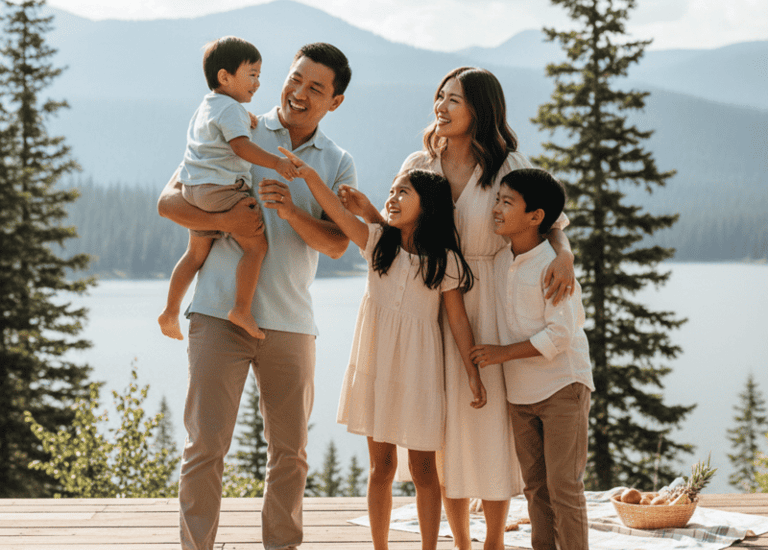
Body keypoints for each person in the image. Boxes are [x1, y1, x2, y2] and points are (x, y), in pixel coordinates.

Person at [345, 66, 576, 550]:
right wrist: (363, 213)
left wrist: (566, 255)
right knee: (441, 424)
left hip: (489, 298)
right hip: (429, 305)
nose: (441, 107)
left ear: (480, 110)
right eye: (440, 97)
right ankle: (460, 542)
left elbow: (551, 217)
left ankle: (492, 539)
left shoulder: (507, 164)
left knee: (486, 422)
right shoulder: (420, 162)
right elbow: (395, 223)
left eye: (454, 100)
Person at [157, 43, 354, 550]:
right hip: (217, 315)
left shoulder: (337, 162)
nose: (298, 92)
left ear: (335, 101)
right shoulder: (235, 122)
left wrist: (291, 212)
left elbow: (337, 244)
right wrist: (223, 220)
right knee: (205, 447)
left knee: (290, 454)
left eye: (316, 87)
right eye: (295, 78)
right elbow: (168, 203)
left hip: (290, 322)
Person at [282, 143, 486, 550]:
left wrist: (473, 372)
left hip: (420, 374)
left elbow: (459, 321)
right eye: (390, 192)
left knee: (425, 469)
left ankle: (429, 547)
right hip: (377, 370)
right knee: (382, 467)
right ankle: (380, 547)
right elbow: (338, 212)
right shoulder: (377, 243)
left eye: (402, 193)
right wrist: (309, 176)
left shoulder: (443, 260)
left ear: (427, 205)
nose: (392, 199)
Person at [471, 168, 594, 550]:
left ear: (536, 217)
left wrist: (500, 354)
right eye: (497, 200)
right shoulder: (498, 262)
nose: (496, 208)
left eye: (507, 202)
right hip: (520, 394)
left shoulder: (553, 266)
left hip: (563, 386)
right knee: (535, 489)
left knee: (564, 488)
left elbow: (560, 335)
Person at [158, 36, 298, 341]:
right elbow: (240, 146)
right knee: (256, 246)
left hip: (194, 191)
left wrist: (243, 116)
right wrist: (277, 163)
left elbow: (220, 133)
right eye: (252, 75)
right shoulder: (230, 110)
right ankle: (241, 309)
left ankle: (169, 312)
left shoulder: (207, 106)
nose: (258, 83)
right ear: (225, 76)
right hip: (223, 191)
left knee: (195, 254)